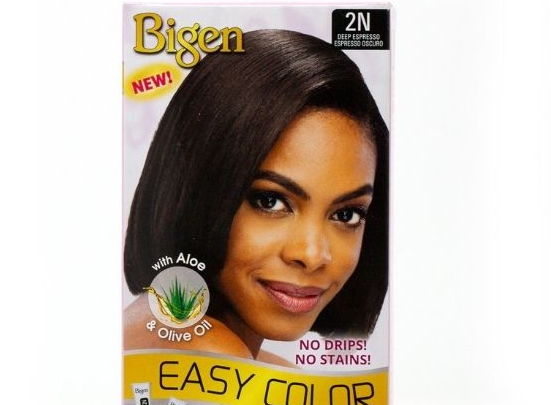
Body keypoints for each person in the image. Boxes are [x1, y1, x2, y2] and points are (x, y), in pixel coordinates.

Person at [124, 29, 388, 363]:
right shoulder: (215, 354)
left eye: (346, 214)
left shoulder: (247, 358)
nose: (312, 255)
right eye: (270, 201)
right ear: (197, 192)